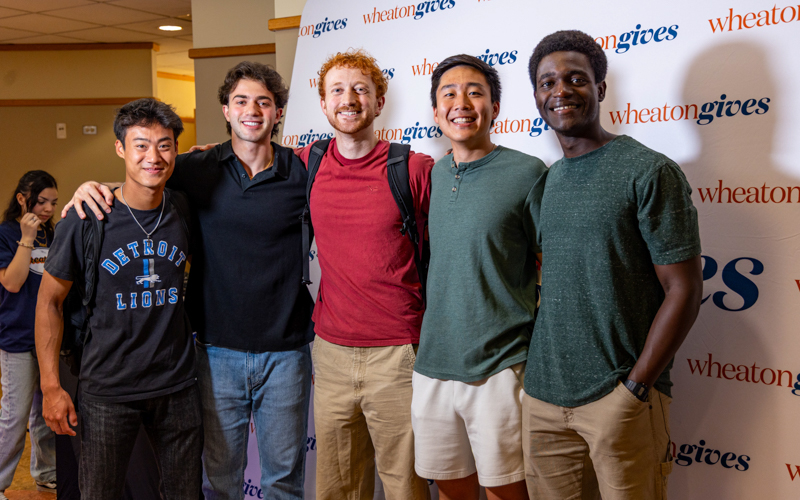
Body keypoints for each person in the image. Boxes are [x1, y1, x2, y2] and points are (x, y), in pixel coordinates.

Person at [62, 62, 313, 500]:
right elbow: (143, 178)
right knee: (220, 483)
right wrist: (91, 187)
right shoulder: (195, 168)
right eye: (241, 101)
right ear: (226, 110)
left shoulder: (303, 172)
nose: (252, 110)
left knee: (283, 483)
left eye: (264, 102)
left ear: (278, 113)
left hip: (286, 353)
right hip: (215, 353)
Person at [522, 30, 703, 500]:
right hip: (542, 399)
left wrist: (636, 388)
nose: (560, 90)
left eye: (576, 78)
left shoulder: (649, 171)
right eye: (547, 82)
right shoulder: (548, 182)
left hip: (619, 400)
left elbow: (684, 289)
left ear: (600, 88)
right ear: (536, 97)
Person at [36, 98, 202, 499]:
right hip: (107, 389)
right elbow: (49, 303)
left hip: (176, 386)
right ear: (120, 148)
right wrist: (51, 387)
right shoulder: (86, 219)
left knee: (185, 493)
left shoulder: (182, 207)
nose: (153, 157)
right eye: (140, 145)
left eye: (164, 145)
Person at [294, 49, 433, 500]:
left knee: (404, 485)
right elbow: (243, 163)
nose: (348, 98)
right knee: (337, 487)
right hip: (331, 351)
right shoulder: (307, 163)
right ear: (323, 104)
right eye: (337, 90)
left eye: (360, 89)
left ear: (378, 101)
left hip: (399, 353)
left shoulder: (412, 169)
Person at [411, 54, 546, 500]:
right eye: (449, 94)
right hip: (433, 364)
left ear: (495, 107)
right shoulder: (433, 173)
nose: (462, 103)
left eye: (475, 92)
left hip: (501, 367)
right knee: (450, 487)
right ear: (436, 112)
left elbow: (552, 262)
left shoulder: (527, 173)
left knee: (507, 490)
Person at [0, 171, 58, 500]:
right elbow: (12, 282)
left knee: (45, 413)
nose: (48, 208)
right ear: (22, 199)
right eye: (41, 201)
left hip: (47, 338)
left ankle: (46, 475)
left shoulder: (51, 234)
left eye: (53, 202)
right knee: (15, 415)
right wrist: (26, 237)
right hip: (17, 338)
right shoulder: (6, 234)